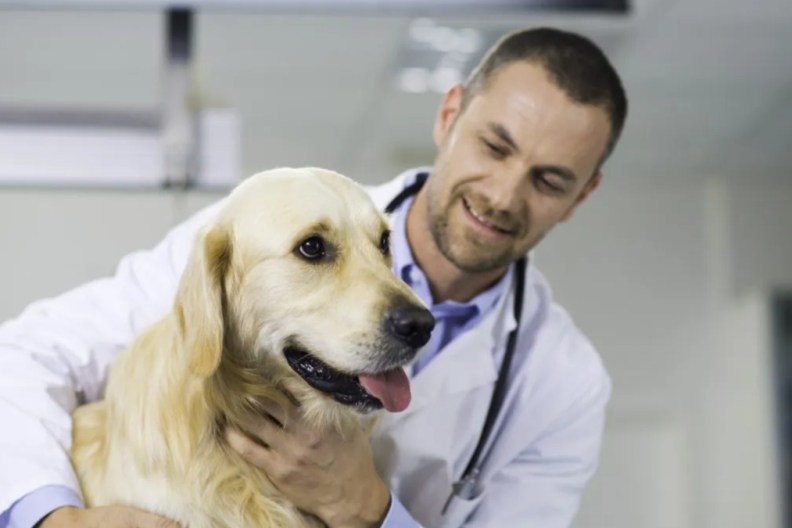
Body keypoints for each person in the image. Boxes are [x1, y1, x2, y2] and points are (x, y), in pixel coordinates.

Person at [0, 26, 627, 528]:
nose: (502, 195)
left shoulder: (565, 385)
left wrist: (367, 509)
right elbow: (26, 355)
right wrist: (52, 517)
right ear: (449, 116)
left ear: (583, 194)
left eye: (549, 180)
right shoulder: (251, 229)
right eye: (494, 146)